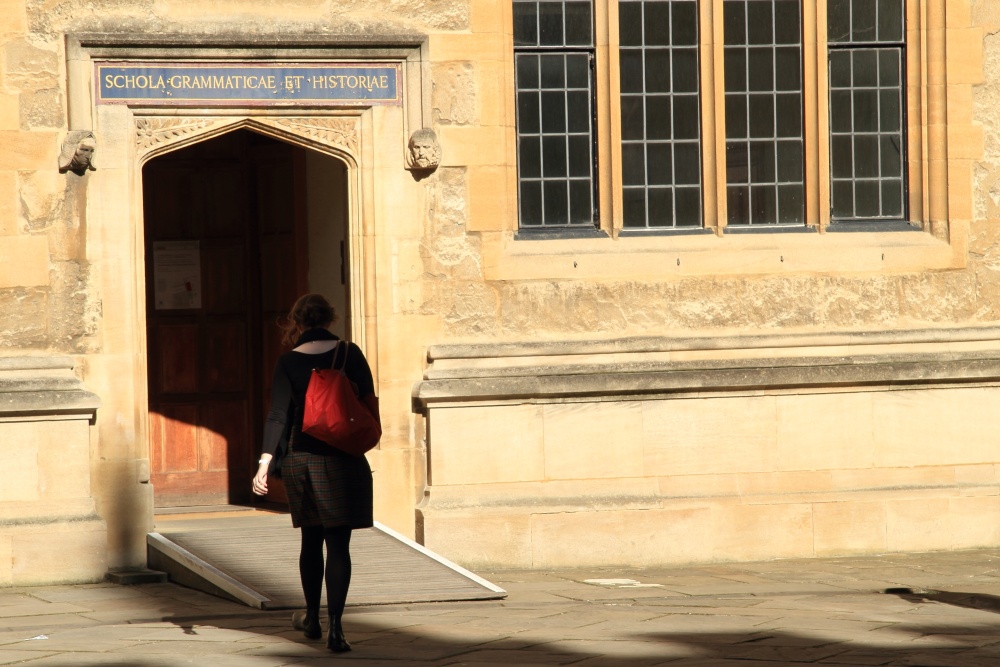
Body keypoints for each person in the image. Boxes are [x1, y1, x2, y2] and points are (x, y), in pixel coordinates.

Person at [252, 293, 379, 653]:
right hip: (343, 458)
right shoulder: (349, 353)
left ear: (298, 322)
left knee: (311, 540)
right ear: (330, 318)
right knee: (339, 544)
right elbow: (368, 401)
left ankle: (311, 618)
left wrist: (264, 463)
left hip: (302, 457)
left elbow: (278, 415)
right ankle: (337, 629)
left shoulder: (288, 362)